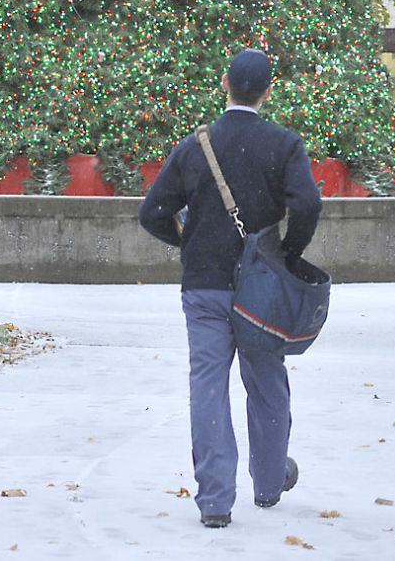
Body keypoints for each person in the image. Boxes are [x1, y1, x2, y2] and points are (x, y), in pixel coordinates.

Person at [138, 47, 322, 529]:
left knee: (208, 386)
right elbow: (307, 205)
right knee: (265, 380)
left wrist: (189, 244)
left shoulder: (195, 146)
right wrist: (288, 254)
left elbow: (152, 212)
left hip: (204, 287)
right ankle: (268, 482)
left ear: (224, 84)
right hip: (261, 289)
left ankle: (215, 501)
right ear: (267, 91)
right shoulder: (283, 145)